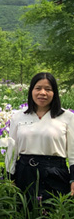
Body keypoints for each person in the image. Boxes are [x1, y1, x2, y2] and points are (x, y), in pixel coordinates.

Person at [5, 72, 74, 203]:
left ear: (54, 93)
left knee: (54, 216)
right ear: (31, 91)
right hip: (25, 173)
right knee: (25, 217)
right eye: (38, 88)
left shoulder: (67, 117)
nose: (42, 93)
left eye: (48, 89)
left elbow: (73, 153)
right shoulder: (18, 117)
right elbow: (12, 149)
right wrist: (8, 177)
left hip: (55, 173)